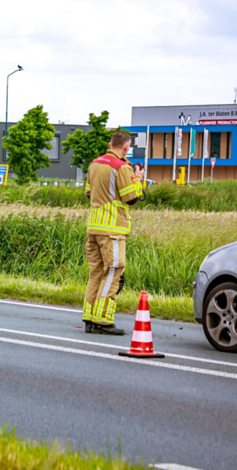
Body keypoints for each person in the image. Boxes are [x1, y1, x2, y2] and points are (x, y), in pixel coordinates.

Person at [82, 130, 144, 335]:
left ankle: (90, 318)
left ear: (110, 144)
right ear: (126, 147)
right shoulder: (122, 167)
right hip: (113, 229)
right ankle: (103, 320)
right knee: (113, 270)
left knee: (96, 273)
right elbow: (131, 198)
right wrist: (139, 180)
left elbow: (89, 193)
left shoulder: (93, 164)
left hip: (94, 227)